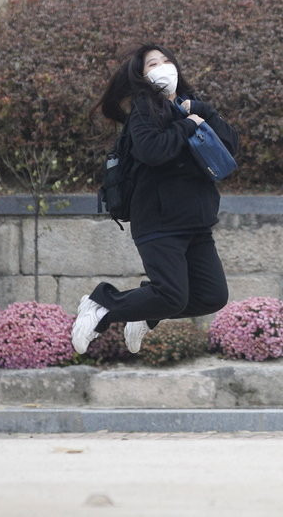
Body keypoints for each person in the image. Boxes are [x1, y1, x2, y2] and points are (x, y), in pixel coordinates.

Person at [72, 44, 238, 355]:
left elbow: (229, 149)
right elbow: (152, 150)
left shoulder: (193, 106)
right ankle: (101, 304)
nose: (163, 67)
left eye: (166, 61)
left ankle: (145, 313)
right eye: (152, 64)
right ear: (142, 75)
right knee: (172, 295)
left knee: (212, 296)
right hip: (159, 221)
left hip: (197, 222)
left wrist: (205, 113)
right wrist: (189, 125)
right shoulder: (144, 109)